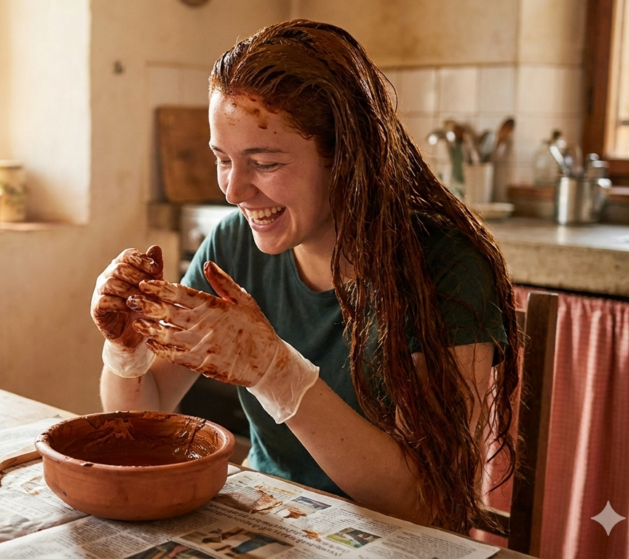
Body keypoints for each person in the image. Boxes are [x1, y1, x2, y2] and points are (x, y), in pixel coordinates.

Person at [91, 20, 520, 533]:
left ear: (345, 158)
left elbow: (428, 504)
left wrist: (275, 371)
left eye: (265, 163)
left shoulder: (445, 267)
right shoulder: (232, 245)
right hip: (273, 522)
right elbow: (148, 414)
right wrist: (127, 348)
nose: (233, 190)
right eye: (223, 159)